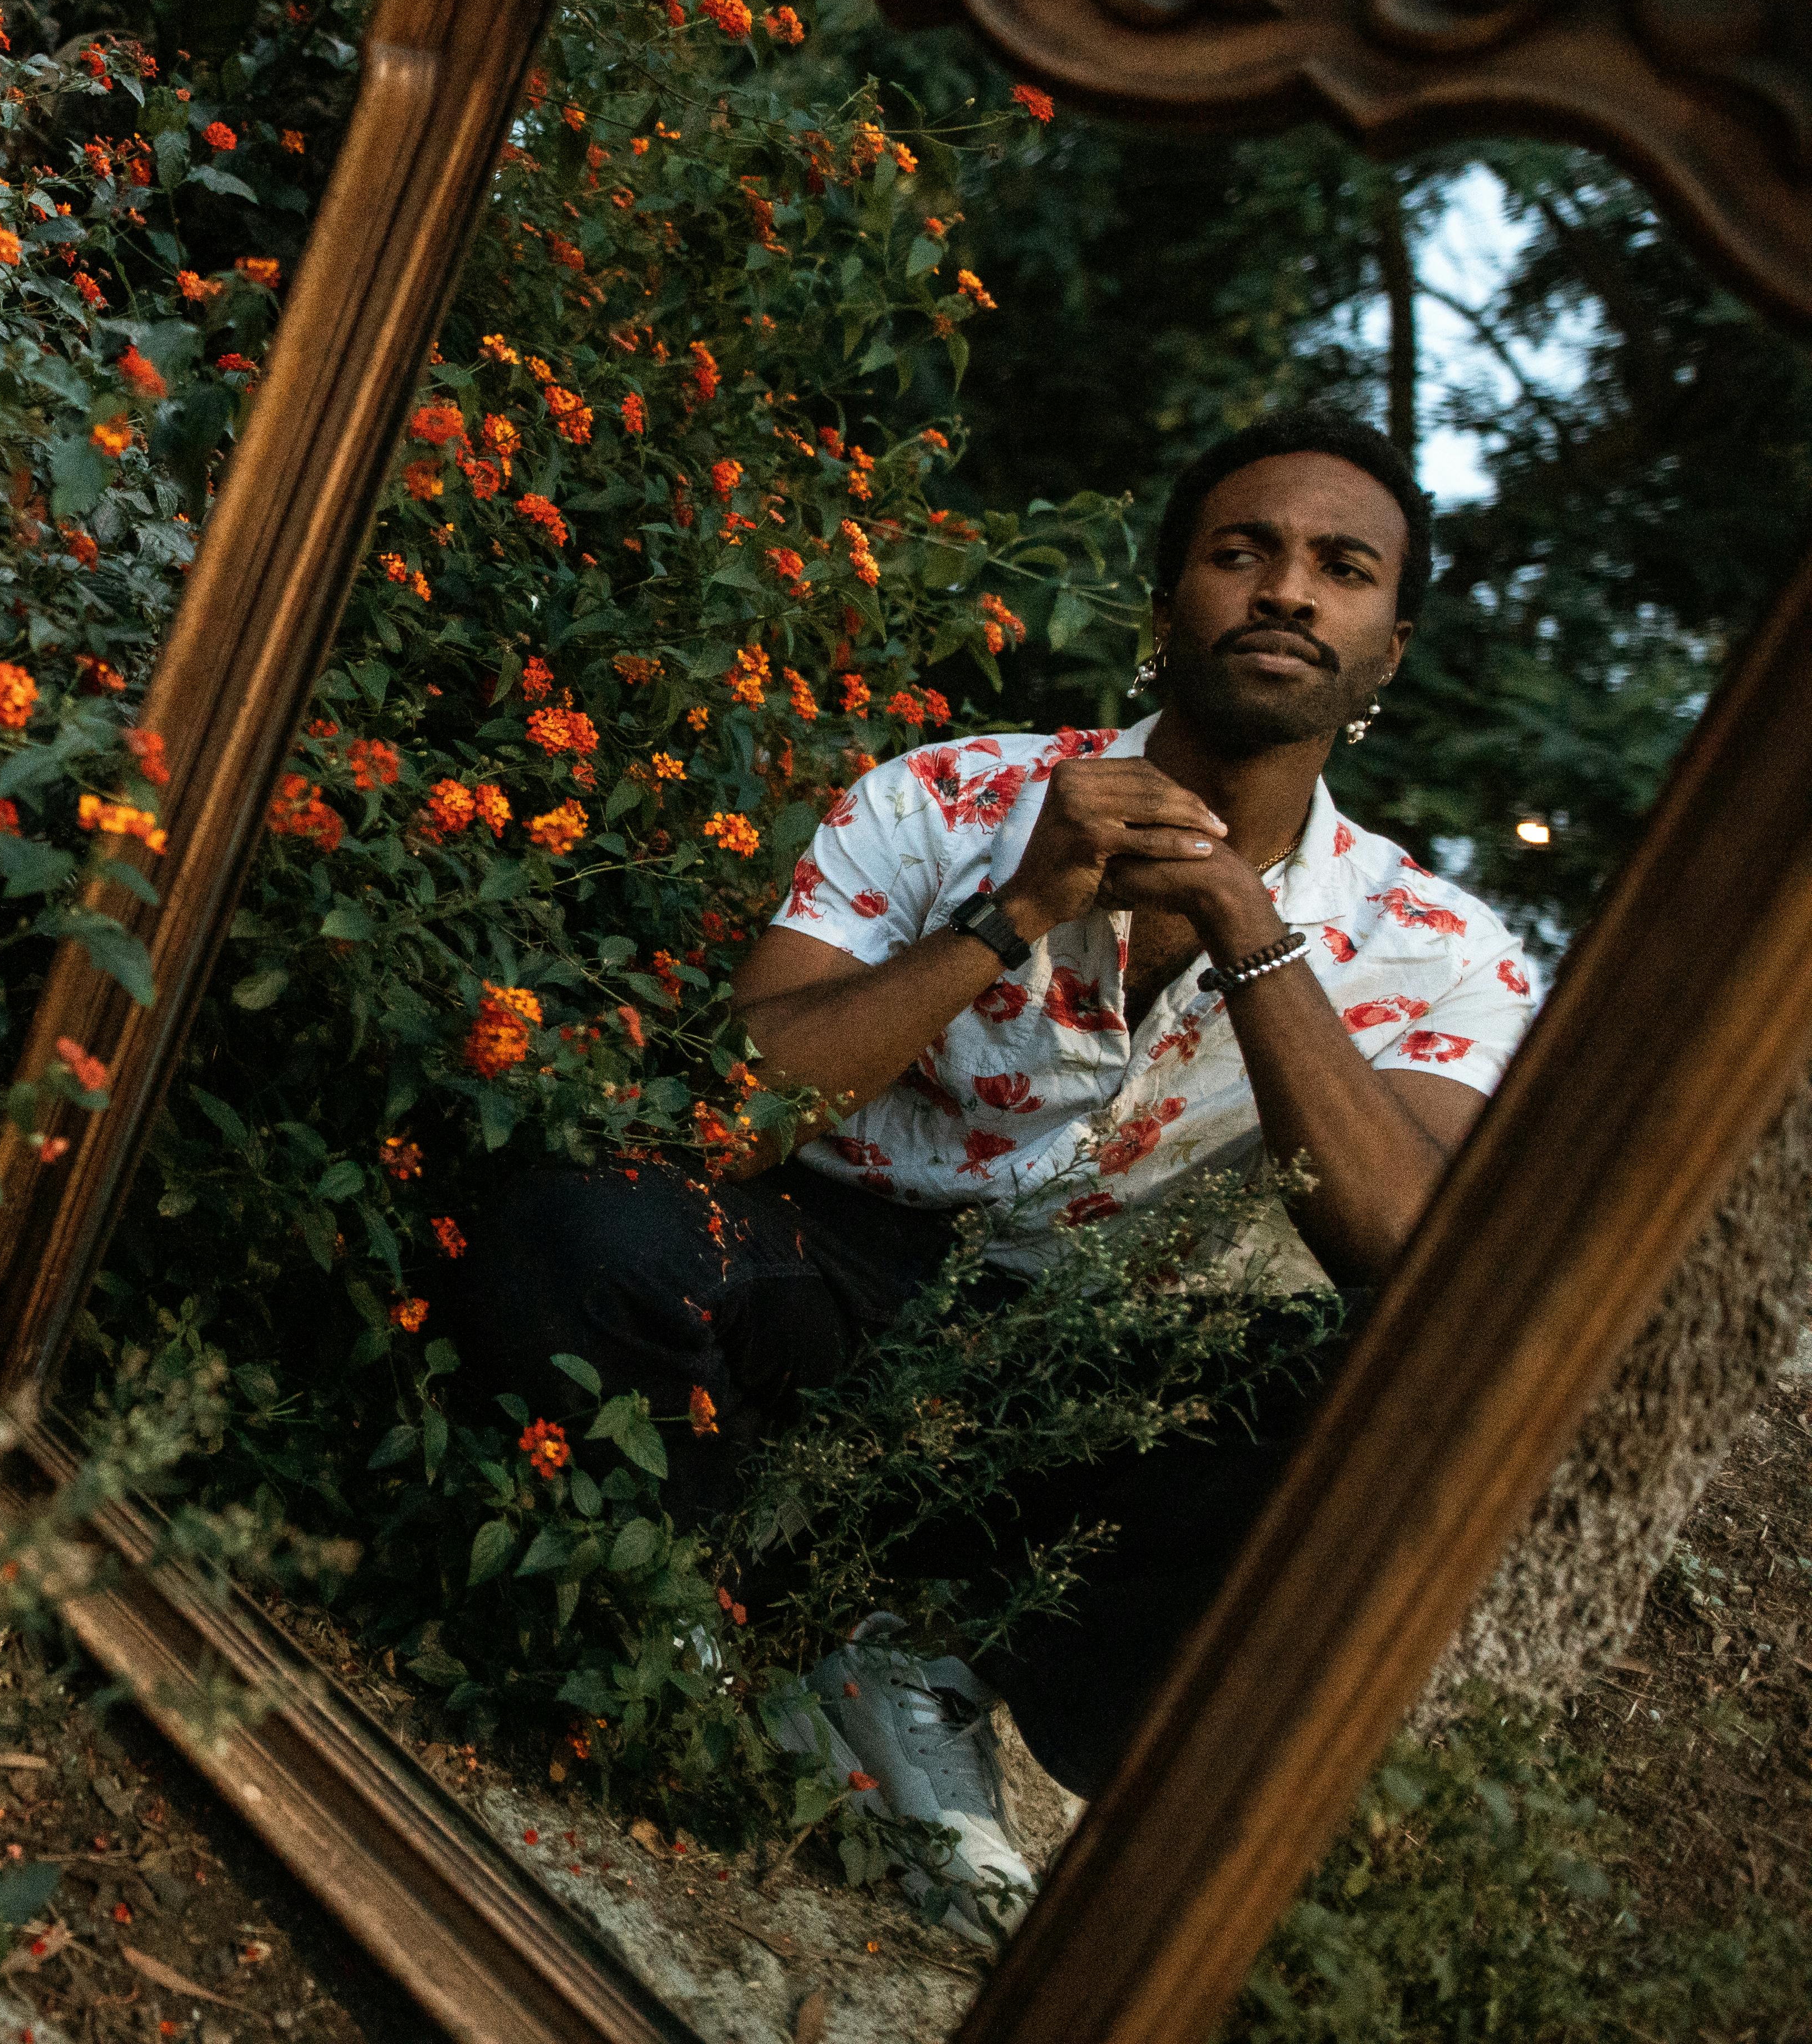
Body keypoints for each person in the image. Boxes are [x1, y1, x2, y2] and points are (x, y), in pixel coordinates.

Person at [443, 413, 1539, 1928]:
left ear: (1387, 652)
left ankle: (944, 1678)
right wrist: (1014, 913)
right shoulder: (947, 798)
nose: (1287, 590)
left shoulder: (1446, 949)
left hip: (1083, 1392)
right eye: (1244, 553)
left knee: (1379, 1382)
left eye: (1341, 569)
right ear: (1170, 610)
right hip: (823, 1289)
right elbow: (723, 1116)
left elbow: (1408, 1253)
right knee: (585, 1229)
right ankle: (681, 1621)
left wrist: (1244, 919)